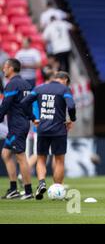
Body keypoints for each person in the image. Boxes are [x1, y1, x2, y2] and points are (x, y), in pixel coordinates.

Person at [20, 71, 76, 200]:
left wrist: (33, 118)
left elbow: (23, 103)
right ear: (65, 80)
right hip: (59, 130)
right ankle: (58, 190)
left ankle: (41, 183)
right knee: (59, 160)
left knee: (41, 159)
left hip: (42, 129)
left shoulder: (40, 88)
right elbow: (71, 106)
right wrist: (72, 119)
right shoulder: (64, 89)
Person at [0, 59, 34, 200]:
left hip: (17, 125)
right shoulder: (26, 84)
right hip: (21, 123)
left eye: (5, 67)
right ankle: (13, 189)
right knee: (6, 154)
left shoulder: (12, 84)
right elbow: (29, 104)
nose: (3, 70)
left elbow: (5, 105)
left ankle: (28, 191)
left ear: (11, 68)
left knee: (20, 157)